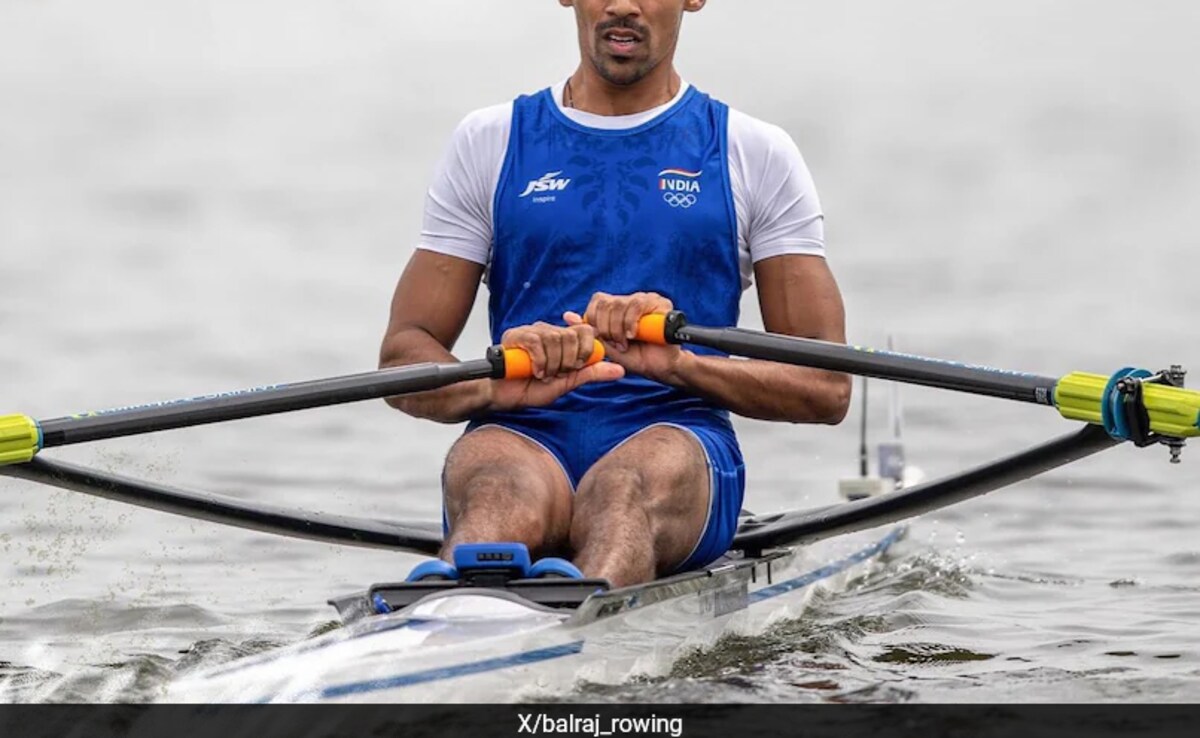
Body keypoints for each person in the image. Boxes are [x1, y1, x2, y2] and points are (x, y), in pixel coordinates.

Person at [379, 0, 850, 588]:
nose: (623, 5)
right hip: (522, 435)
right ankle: (448, 629)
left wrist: (681, 365)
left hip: (677, 436)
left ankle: (583, 628)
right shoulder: (488, 142)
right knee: (497, 494)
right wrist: (492, 386)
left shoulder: (753, 152)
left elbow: (826, 388)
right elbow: (404, 353)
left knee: (619, 491)